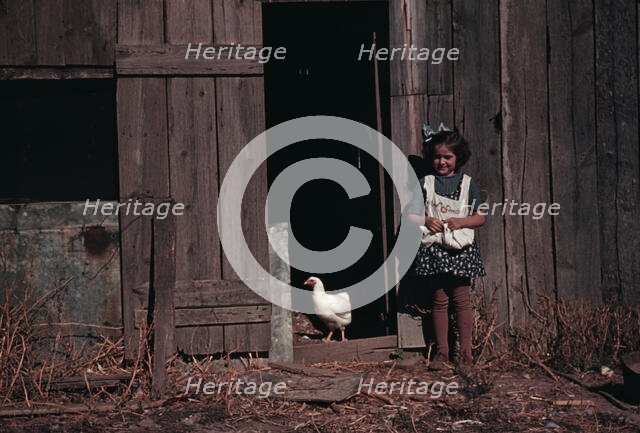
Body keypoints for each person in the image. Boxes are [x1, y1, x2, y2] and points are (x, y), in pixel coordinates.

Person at [406, 124, 486, 373]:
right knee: (439, 301)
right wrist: (425, 220)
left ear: (457, 158)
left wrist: (461, 221)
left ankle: (465, 356)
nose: (442, 162)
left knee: (461, 301)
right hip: (435, 250)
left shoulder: (467, 184)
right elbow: (409, 216)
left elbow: (480, 217)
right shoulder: (425, 183)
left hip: (460, 250)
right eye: (438, 156)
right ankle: (442, 352)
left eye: (447, 157)